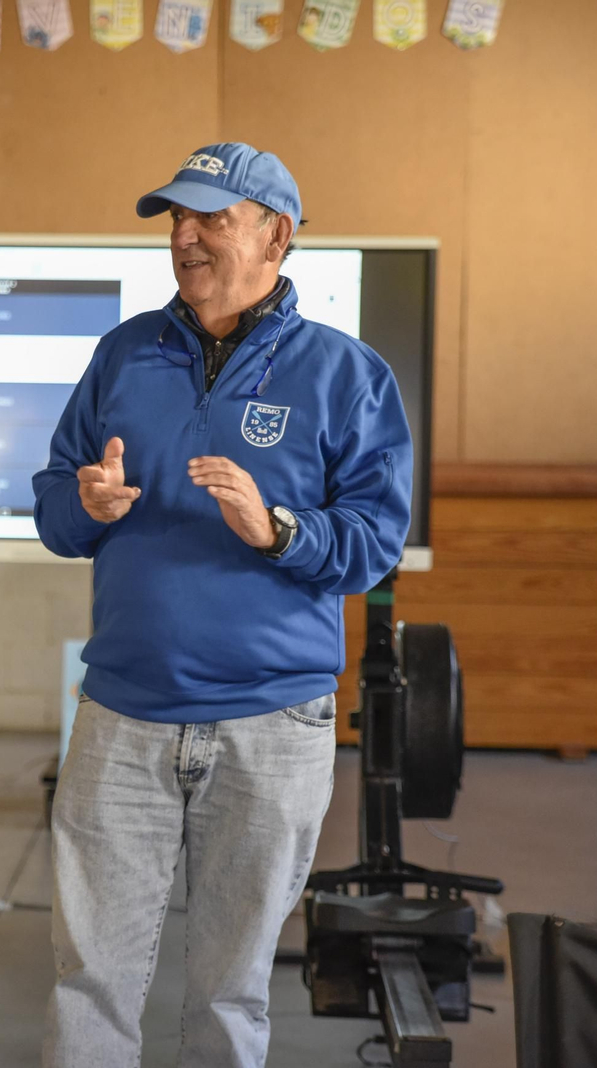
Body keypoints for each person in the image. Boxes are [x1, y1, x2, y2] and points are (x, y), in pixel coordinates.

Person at [34, 142, 413, 1067]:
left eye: (211, 218)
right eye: (176, 217)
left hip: (273, 726)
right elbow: (54, 501)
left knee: (230, 994)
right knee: (87, 982)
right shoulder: (122, 353)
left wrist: (278, 529)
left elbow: (372, 545)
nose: (186, 236)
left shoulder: (348, 376)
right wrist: (82, 505)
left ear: (276, 235)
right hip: (122, 716)